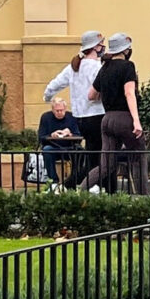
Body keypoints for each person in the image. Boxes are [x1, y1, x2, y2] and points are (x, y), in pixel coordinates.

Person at [44, 30, 107, 188]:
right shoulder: (96, 67)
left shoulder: (73, 67)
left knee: (93, 154)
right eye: (101, 45)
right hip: (97, 114)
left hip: (80, 118)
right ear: (95, 47)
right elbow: (101, 89)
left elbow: (54, 85)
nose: (103, 48)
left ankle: (84, 185)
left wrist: (47, 97)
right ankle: (73, 185)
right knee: (100, 157)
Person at [94, 32, 149, 194]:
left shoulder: (104, 68)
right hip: (124, 118)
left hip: (107, 119)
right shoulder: (128, 66)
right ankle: (143, 199)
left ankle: (78, 191)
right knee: (139, 157)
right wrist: (136, 121)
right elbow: (129, 93)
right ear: (125, 50)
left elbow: (91, 94)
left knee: (106, 166)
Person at [35, 89, 85, 188]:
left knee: (80, 151)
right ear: (53, 110)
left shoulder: (72, 117)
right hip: (53, 147)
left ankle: (74, 180)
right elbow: (41, 137)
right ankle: (53, 181)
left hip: (69, 148)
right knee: (47, 150)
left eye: (62, 110)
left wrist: (69, 134)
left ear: (65, 109)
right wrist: (52, 135)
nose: (60, 113)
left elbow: (79, 136)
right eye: (57, 111)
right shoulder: (46, 117)